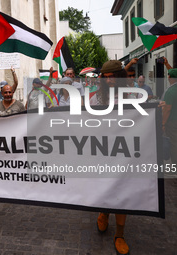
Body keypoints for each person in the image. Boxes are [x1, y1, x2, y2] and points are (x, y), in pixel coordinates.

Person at [90, 60, 130, 255]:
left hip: (125, 153)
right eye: (106, 78)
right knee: (106, 189)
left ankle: (120, 235)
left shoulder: (132, 95)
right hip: (102, 152)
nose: (110, 80)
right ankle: (104, 212)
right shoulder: (97, 98)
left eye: (113, 76)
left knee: (122, 195)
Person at [162, 68, 177, 165]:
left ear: (169, 77)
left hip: (173, 122)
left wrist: (163, 123)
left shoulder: (170, 91)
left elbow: (167, 109)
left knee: (174, 145)